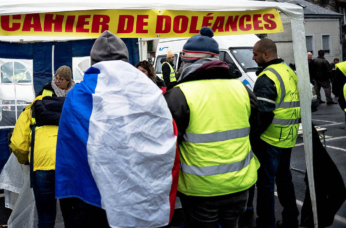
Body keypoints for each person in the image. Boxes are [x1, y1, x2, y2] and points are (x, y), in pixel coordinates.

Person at [56, 31, 177, 228]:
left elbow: (69, 149)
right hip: (140, 190)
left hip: (89, 195)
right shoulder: (148, 90)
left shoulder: (77, 94)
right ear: (126, 59)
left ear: (93, 60)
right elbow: (165, 133)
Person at [164, 27, 260, 228]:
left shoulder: (179, 94)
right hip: (240, 183)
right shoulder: (242, 89)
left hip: (200, 189)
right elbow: (256, 128)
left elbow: (167, 144)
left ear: (187, 61)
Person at [252, 39, 300, 228]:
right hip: (287, 136)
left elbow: (263, 113)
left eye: (255, 54)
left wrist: (254, 136)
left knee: (265, 184)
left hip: (269, 138)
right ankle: (290, 219)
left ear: (266, 54)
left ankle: (266, 223)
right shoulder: (289, 71)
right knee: (284, 179)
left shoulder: (267, 77)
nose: (253, 57)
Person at [11, 92, 71, 228]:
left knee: (45, 218)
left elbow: (18, 145)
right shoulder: (68, 107)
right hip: (67, 164)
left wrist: (26, 160)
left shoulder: (30, 109)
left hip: (42, 166)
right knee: (70, 216)